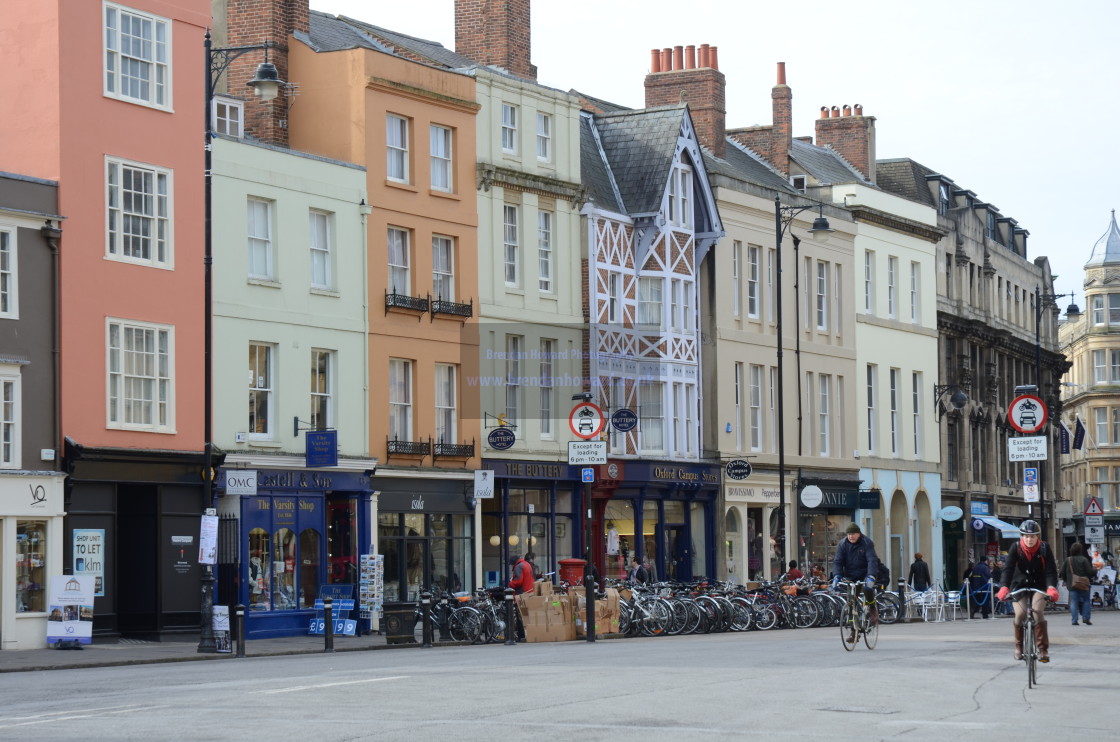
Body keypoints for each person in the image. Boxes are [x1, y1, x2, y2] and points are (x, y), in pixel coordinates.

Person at [996, 520, 1059, 662]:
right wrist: (1004, 587)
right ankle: (1019, 647)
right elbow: (1008, 569)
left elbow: (1050, 570)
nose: (1029, 539)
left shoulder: (1044, 548)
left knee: (1037, 612)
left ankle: (1043, 649)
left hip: (1040, 585)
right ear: (1021, 537)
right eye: (1026, 536)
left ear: (1038, 537)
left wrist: (1051, 587)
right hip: (1019, 585)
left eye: (1032, 536)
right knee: (1020, 614)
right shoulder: (1016, 547)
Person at [832, 522, 881, 640]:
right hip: (850, 575)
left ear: (859, 534)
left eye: (853, 534)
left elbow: (871, 560)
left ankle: (872, 607)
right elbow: (838, 561)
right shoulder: (842, 544)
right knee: (851, 601)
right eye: (849, 534)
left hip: (865, 574)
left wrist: (871, 575)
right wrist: (837, 575)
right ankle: (854, 631)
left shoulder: (867, 543)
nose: (851, 536)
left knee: (867, 588)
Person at [1063, 542, 1094, 626]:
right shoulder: (1084, 559)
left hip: (1072, 585)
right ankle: (1086, 617)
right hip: (1083, 584)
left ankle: (1074, 620)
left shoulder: (1068, 560)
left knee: (1074, 601)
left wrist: (1066, 580)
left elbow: (1062, 572)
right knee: (1086, 600)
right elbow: (1090, 572)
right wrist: (1096, 570)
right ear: (1080, 550)